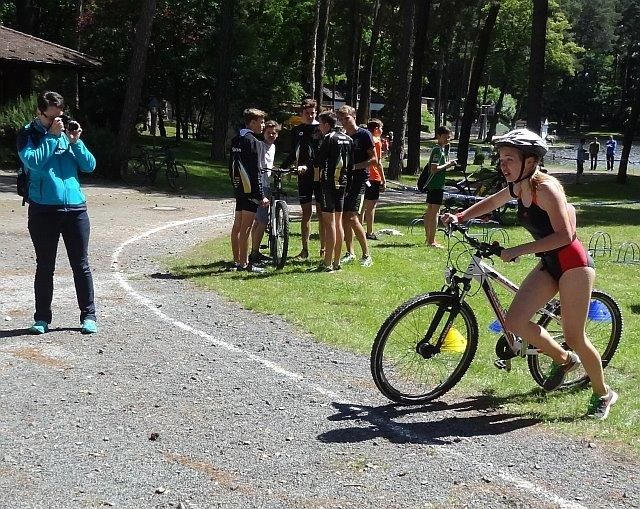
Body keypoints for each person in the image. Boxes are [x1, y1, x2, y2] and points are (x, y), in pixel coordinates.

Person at [442, 128, 618, 420]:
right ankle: (564, 360)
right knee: (514, 322)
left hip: (574, 265)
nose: (504, 165)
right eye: (501, 159)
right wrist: (461, 216)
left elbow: (565, 235)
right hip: (549, 263)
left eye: (510, 159)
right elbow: (492, 202)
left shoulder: (545, 189)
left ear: (531, 161)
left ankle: (603, 394)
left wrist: (518, 250)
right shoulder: (518, 187)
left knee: (575, 336)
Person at [17, 91, 98, 335]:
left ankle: (89, 315)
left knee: (81, 265)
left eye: (60, 117)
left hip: (75, 209)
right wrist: (51, 138)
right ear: (39, 112)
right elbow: (33, 162)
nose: (57, 122)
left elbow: (89, 166)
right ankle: (42, 318)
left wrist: (76, 142)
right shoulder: (28, 134)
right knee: (45, 266)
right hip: (43, 210)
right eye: (51, 118)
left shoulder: (66, 133)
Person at [229, 108, 269, 273]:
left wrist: (236, 185)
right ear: (252, 123)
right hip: (250, 190)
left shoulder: (236, 139)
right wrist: (261, 196)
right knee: (246, 227)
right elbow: (255, 171)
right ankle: (244, 264)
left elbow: (231, 166)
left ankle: (236, 260)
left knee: (237, 226)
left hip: (239, 187)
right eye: (261, 122)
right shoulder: (253, 142)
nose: (263, 125)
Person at [282, 99, 322, 260]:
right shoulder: (297, 130)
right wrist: (284, 168)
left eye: (313, 113)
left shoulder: (321, 128)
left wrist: (309, 166)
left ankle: (323, 249)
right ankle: (304, 250)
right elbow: (293, 153)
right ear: (301, 113)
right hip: (303, 176)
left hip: (319, 175)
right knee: (306, 212)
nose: (311, 116)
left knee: (321, 213)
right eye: (307, 113)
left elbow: (321, 154)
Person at [313, 111, 352, 272]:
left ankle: (327, 262)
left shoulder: (329, 138)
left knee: (329, 224)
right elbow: (351, 165)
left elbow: (318, 161)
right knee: (338, 222)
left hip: (328, 184)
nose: (319, 128)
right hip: (342, 183)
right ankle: (337, 261)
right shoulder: (348, 139)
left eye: (320, 124)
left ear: (327, 124)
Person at [336, 105, 374, 267]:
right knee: (345, 216)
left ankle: (366, 254)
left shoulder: (364, 134)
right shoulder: (342, 136)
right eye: (341, 119)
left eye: (347, 118)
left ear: (354, 117)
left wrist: (354, 167)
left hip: (359, 180)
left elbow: (374, 159)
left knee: (352, 216)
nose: (344, 122)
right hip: (345, 180)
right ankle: (350, 252)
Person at [249, 120, 280, 265]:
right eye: (268, 133)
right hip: (260, 185)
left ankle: (254, 250)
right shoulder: (260, 145)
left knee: (259, 220)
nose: (271, 135)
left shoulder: (273, 147)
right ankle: (254, 253)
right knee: (262, 221)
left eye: (274, 133)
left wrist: (275, 169)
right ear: (264, 133)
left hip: (267, 184)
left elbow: (268, 163)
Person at [423, 125, 458, 248]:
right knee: (434, 213)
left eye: (449, 137)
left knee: (430, 212)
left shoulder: (442, 149)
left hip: (437, 184)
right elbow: (434, 169)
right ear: (438, 136)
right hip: (436, 185)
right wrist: (448, 165)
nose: (447, 139)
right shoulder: (437, 150)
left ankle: (428, 238)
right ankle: (431, 241)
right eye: (445, 137)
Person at [361, 119, 386, 241]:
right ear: (376, 129)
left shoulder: (365, 140)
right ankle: (369, 232)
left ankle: (358, 230)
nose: (382, 131)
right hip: (374, 177)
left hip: (364, 176)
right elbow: (378, 162)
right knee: (371, 206)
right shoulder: (376, 141)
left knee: (362, 206)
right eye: (381, 128)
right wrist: (383, 179)